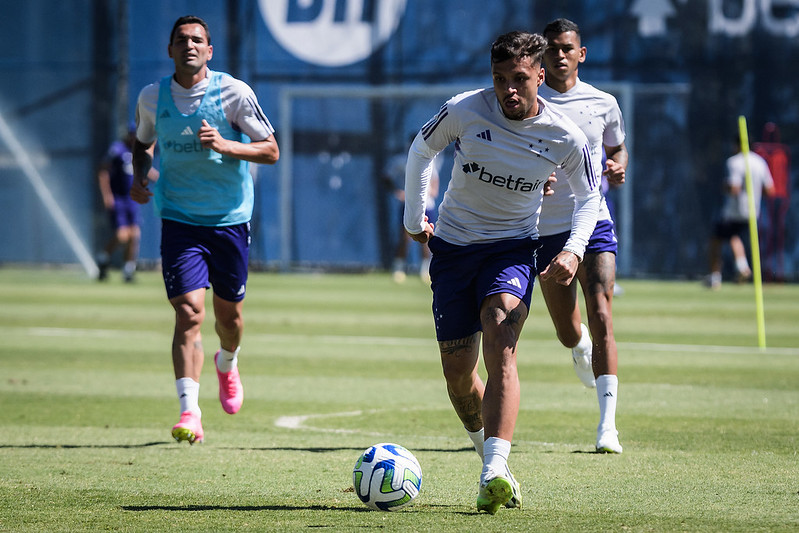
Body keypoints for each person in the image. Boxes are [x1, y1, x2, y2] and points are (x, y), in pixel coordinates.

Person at [404, 31, 600, 514]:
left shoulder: (564, 135)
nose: (508, 90)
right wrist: (414, 219)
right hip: (452, 248)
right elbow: (420, 150)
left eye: (518, 79)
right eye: (499, 79)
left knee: (501, 332)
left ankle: (494, 467)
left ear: (540, 75)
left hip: (513, 249)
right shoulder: (466, 110)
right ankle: (490, 460)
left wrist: (574, 250)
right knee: (457, 376)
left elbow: (589, 197)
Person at [130, 15, 279, 444]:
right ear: (170, 50)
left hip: (229, 220)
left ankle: (227, 363)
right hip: (178, 218)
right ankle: (189, 411)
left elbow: (270, 150)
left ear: (209, 51)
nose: (190, 45)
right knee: (189, 312)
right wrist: (141, 176)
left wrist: (226, 144)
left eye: (198, 40)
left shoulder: (233, 93)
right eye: (181, 40)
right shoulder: (151, 97)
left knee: (228, 318)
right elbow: (142, 143)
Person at [536, 18, 628, 454]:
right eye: (551, 48)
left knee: (603, 312)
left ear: (581, 53)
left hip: (593, 220)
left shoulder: (603, 103)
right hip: (545, 228)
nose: (559, 54)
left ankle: (607, 426)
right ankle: (578, 348)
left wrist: (619, 165)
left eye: (566, 48)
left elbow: (616, 149)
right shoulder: (526, 103)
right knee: (568, 330)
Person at [706, 135, 774, 289]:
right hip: (753, 210)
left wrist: (724, 186)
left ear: (737, 145)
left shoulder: (734, 162)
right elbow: (770, 190)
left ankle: (717, 277)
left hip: (734, 210)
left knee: (716, 241)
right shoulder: (760, 162)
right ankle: (741, 266)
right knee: (733, 236)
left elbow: (734, 188)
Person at [96, 123, 149, 282]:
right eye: (134, 134)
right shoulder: (117, 149)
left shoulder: (138, 151)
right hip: (118, 199)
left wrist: (159, 178)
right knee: (122, 236)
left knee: (135, 234)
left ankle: (128, 270)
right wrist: (107, 195)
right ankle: (103, 259)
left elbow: (144, 170)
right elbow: (103, 171)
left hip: (132, 199)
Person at [384, 138, 440, 283]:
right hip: (410, 204)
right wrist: (398, 192)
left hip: (427, 206)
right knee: (405, 237)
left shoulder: (430, 160)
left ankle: (425, 270)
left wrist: (429, 191)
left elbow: (434, 184)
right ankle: (398, 268)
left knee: (427, 238)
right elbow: (386, 176)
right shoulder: (402, 161)